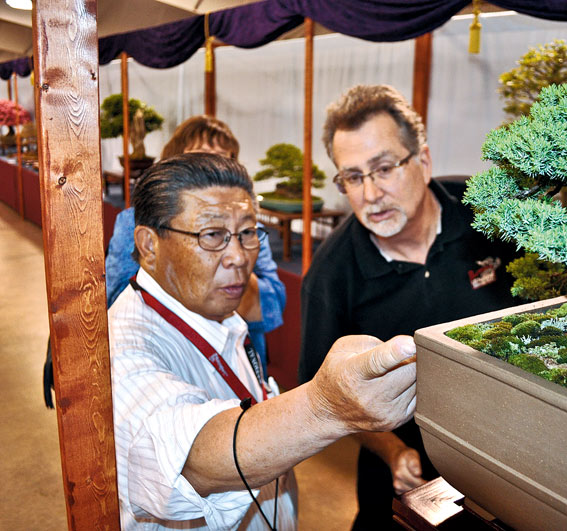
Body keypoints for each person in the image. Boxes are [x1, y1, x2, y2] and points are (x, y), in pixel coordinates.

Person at [109, 153, 417, 530]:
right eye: (212, 236)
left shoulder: (215, 308)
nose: (238, 257)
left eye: (248, 232)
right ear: (149, 244)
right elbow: (190, 459)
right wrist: (327, 406)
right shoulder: (123, 346)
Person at [297, 84, 519, 528]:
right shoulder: (331, 274)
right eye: (353, 177)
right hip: (404, 477)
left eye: (383, 168)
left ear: (424, 160)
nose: (371, 193)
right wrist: (392, 450)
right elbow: (325, 396)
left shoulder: (490, 216)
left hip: (510, 456)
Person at [104, 115, 285, 366]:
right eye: (199, 158)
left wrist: (230, 257)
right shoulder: (134, 223)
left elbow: (273, 306)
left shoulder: (250, 230)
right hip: (172, 354)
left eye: (224, 159)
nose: (212, 169)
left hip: (241, 358)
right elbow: (116, 297)